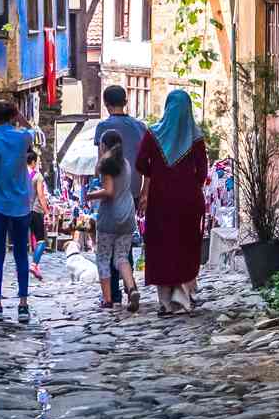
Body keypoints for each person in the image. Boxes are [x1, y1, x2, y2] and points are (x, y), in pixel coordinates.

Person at [137, 88, 207, 315]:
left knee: (161, 245)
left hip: (160, 200)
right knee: (185, 244)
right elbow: (202, 171)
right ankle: (181, 293)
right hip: (188, 200)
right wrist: (189, 183)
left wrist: (156, 173)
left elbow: (140, 163)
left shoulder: (153, 134)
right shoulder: (195, 137)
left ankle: (165, 301)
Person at [94, 85, 160, 306]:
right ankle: (129, 286)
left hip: (110, 192)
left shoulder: (104, 127)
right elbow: (147, 162)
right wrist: (144, 191)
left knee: (106, 244)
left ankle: (111, 294)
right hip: (132, 189)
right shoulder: (140, 127)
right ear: (126, 101)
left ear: (106, 104)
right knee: (125, 243)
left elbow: (101, 159)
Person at [0, 100, 36, 323]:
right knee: (21, 254)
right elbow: (33, 129)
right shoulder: (22, 138)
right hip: (21, 204)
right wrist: (19, 117)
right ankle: (23, 304)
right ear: (12, 115)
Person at [85, 136, 141, 312]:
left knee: (103, 257)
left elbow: (109, 191)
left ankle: (108, 299)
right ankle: (131, 288)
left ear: (103, 145)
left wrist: (91, 195)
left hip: (110, 216)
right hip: (127, 215)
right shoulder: (125, 163)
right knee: (122, 256)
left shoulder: (108, 164)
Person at [28, 162, 51, 281]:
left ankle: (19, 268)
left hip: (20, 211)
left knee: (20, 242)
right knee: (41, 240)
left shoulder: (19, 174)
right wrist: (47, 211)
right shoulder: (37, 176)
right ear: (32, 162)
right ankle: (34, 265)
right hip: (35, 211)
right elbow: (41, 195)